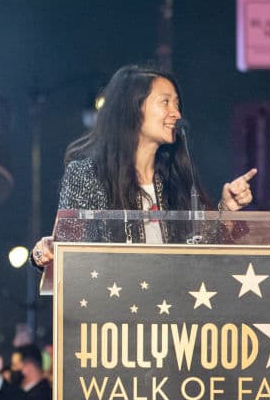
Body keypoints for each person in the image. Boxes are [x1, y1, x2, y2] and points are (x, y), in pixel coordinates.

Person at [28, 66, 256, 265]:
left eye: (177, 104)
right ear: (132, 110)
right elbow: (67, 253)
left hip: (175, 310)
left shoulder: (175, 178)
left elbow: (202, 255)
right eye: (165, 102)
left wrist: (226, 209)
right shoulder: (88, 174)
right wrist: (47, 251)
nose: (176, 114)